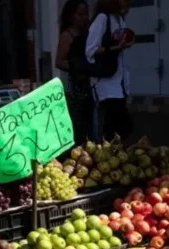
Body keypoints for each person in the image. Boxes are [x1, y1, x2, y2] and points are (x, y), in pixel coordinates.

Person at [86, 0, 134, 141]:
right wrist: (115, 48)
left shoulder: (119, 18)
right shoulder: (102, 18)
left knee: (117, 128)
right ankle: (107, 155)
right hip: (106, 82)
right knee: (120, 126)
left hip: (119, 81)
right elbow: (90, 50)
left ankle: (113, 155)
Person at [56, 0, 94, 144]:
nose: (84, 18)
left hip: (91, 84)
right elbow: (59, 62)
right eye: (80, 14)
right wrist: (77, 66)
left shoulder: (89, 32)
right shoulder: (67, 35)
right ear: (71, 15)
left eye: (86, 14)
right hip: (77, 86)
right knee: (80, 124)